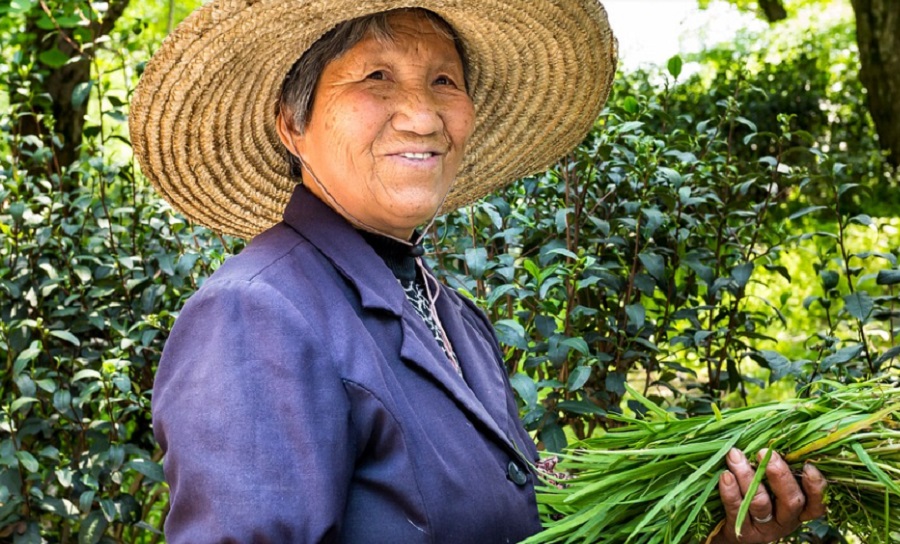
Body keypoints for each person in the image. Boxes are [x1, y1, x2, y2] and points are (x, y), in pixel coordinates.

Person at [129, 0, 826, 542]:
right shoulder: (258, 314)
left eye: (444, 81)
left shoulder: (448, 312)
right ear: (292, 123)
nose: (423, 115)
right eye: (377, 76)